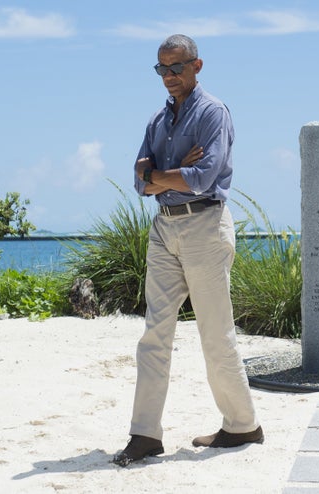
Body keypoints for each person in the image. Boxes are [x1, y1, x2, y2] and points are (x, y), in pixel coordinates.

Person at [113, 34, 263, 467]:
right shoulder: (157, 122)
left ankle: (242, 425)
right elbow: (141, 183)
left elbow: (202, 177)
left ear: (197, 66)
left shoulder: (213, 112)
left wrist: (160, 174)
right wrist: (164, 176)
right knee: (154, 333)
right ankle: (144, 435)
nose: (169, 77)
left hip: (205, 225)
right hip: (164, 228)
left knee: (215, 333)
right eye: (162, 69)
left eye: (176, 68)